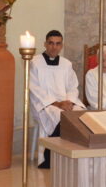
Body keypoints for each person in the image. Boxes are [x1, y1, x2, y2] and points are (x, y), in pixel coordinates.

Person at [29, 30, 84, 168]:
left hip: (66, 102)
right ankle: (50, 157)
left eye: (58, 44)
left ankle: (77, 155)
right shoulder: (35, 62)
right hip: (45, 104)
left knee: (81, 114)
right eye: (51, 43)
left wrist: (69, 101)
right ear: (45, 44)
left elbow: (73, 87)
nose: (54, 47)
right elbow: (35, 89)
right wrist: (58, 103)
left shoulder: (66, 64)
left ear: (62, 46)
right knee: (60, 116)